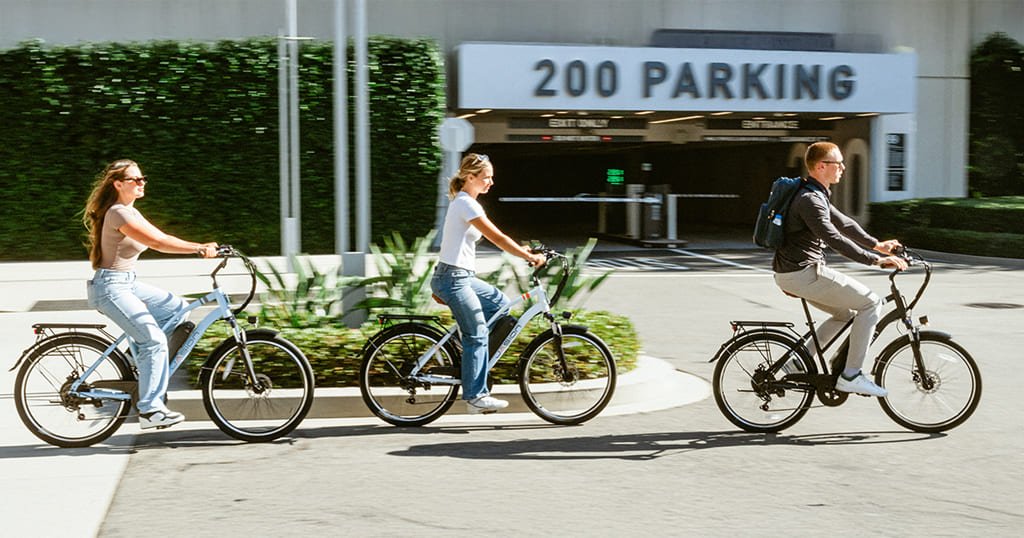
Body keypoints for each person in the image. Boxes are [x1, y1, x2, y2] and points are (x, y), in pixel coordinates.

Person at [83, 159, 219, 429]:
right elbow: (158, 243)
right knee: (155, 342)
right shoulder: (118, 213)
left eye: (143, 178)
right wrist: (198, 248)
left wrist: (200, 246)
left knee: (178, 309)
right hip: (111, 288)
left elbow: (162, 235)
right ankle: (150, 410)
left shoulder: (131, 211)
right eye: (135, 179)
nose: (142, 183)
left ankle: (138, 363)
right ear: (118, 184)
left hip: (127, 283)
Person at [773, 142, 908, 397]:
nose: (843, 168)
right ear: (822, 166)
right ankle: (851, 374)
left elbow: (844, 223)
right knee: (870, 303)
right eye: (838, 163)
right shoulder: (809, 200)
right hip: (803, 273)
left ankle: (798, 360)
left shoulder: (814, 192)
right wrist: (875, 260)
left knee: (844, 314)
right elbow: (834, 238)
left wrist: (878, 245)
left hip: (795, 273)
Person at [431, 153, 546, 414]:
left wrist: (522, 249)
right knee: (478, 333)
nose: (491, 183)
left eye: (492, 178)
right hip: (453, 279)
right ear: (469, 177)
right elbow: (498, 238)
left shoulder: (467, 202)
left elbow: (499, 239)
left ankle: (468, 356)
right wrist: (527, 255)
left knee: (501, 305)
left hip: (462, 277)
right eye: (486, 177)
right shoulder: (466, 204)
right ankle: (475, 396)